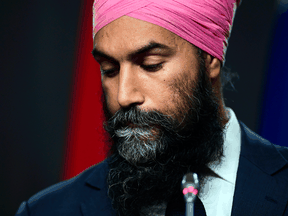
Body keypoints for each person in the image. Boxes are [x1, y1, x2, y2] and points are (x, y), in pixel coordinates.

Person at [16, 0, 288, 215]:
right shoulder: (46, 210)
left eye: (150, 65)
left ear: (210, 59)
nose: (124, 96)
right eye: (109, 70)